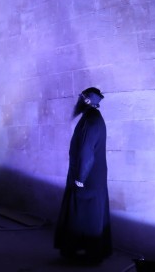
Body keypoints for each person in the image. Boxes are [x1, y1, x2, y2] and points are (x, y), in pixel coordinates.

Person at [54, 86, 112, 263]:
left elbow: (87, 152)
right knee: (87, 214)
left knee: (84, 215)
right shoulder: (91, 118)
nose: (78, 100)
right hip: (91, 179)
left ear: (87, 100)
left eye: (82, 97)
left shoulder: (92, 120)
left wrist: (80, 178)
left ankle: (86, 253)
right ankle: (83, 251)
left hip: (88, 180)